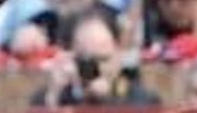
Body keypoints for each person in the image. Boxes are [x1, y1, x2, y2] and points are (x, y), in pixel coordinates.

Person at [31, 9, 162, 106]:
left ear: (118, 55)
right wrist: (54, 95)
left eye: (103, 59)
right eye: (87, 60)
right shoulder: (52, 98)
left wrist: (107, 100)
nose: (96, 68)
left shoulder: (143, 100)